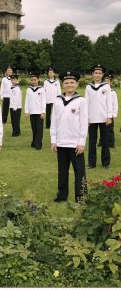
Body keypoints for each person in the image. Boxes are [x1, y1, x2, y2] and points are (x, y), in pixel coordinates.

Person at [51, 71, 88, 203]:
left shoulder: (81, 101)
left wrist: (81, 142)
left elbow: (84, 123)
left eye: (72, 82)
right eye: (66, 83)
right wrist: (53, 141)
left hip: (75, 144)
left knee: (79, 171)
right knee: (62, 171)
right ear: (62, 84)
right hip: (61, 142)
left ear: (77, 84)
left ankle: (81, 196)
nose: (69, 85)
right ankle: (62, 195)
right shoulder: (57, 100)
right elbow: (54, 122)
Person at [85, 64, 113, 169]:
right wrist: (86, 118)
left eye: (100, 73)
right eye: (95, 73)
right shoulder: (88, 87)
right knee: (92, 141)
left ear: (102, 74)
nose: (97, 75)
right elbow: (86, 103)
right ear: (92, 74)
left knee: (105, 141)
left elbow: (109, 102)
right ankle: (92, 163)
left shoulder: (106, 86)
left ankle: (106, 163)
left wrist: (109, 116)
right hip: (92, 118)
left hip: (104, 118)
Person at [24, 71, 46, 150]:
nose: (33, 81)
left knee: (39, 129)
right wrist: (26, 111)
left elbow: (43, 101)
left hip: (39, 112)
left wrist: (43, 112)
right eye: (32, 80)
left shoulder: (42, 89)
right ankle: (34, 142)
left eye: (35, 79)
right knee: (34, 129)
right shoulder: (28, 90)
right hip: (32, 112)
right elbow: (27, 100)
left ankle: (38, 144)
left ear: (38, 80)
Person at [102, 71, 118, 149]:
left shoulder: (113, 92)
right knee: (102, 129)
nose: (106, 83)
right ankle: (101, 142)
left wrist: (114, 114)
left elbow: (115, 104)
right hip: (102, 113)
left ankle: (111, 143)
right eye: (105, 81)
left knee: (110, 129)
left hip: (110, 113)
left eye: (108, 81)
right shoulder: (102, 91)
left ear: (110, 82)